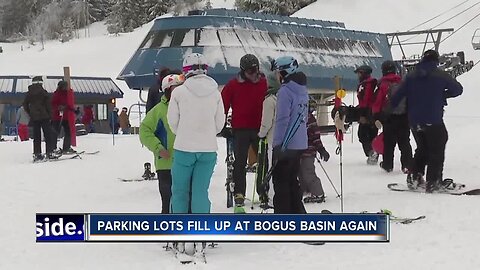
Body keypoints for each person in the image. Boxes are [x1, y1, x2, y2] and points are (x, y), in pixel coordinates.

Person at [167, 53, 224, 259]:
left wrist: (185, 132)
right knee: (201, 192)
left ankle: (180, 237)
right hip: (208, 149)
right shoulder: (216, 93)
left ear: (186, 70)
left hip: (184, 148)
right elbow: (220, 124)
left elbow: (172, 122)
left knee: (180, 191)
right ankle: (201, 233)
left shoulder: (179, 93)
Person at [391, 50, 463, 192]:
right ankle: (433, 181)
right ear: (436, 61)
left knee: (423, 148)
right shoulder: (440, 74)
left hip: (414, 121)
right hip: (433, 119)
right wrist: (442, 94)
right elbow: (458, 89)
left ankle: (414, 177)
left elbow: (396, 97)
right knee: (437, 146)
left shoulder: (410, 76)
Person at [221, 54, 267, 209]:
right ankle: (239, 192)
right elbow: (223, 105)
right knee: (240, 162)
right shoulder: (233, 85)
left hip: (260, 128)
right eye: (250, 71)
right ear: (242, 71)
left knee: (263, 161)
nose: (254, 73)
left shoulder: (264, 83)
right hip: (240, 129)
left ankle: (263, 190)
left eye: (256, 69)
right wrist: (222, 126)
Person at [140, 74, 185, 214]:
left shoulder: (189, 108)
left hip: (186, 162)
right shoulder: (158, 111)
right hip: (166, 164)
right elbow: (144, 131)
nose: (180, 91)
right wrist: (158, 148)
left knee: (185, 201)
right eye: (176, 88)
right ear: (167, 90)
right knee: (167, 201)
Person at [270, 56, 308, 214]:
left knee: (281, 184)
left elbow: (282, 120)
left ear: (284, 72)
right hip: (299, 143)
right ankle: (298, 215)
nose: (276, 76)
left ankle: (282, 220)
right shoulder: (302, 89)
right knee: (292, 181)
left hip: (286, 145)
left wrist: (277, 145)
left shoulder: (285, 91)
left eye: (277, 72)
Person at [372, 60, 413, 173]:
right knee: (404, 142)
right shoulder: (403, 83)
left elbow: (377, 102)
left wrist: (376, 115)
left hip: (389, 118)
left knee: (389, 143)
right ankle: (407, 165)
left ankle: (387, 165)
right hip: (404, 117)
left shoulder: (382, 84)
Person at [299, 99, 330, 203]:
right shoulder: (298, 117)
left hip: (308, 151)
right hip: (299, 151)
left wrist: (321, 149)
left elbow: (316, 136)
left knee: (308, 172)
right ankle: (306, 189)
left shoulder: (310, 119)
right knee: (300, 172)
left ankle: (318, 193)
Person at [22, 76, 57, 161]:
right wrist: (50, 115)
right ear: (40, 82)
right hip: (45, 116)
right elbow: (49, 105)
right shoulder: (44, 92)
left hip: (35, 118)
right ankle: (49, 153)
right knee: (47, 135)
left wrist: (31, 113)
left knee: (36, 136)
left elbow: (25, 105)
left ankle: (37, 154)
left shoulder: (29, 93)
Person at [354, 65, 379, 165]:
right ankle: (373, 153)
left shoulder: (366, 84)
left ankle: (371, 153)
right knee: (373, 135)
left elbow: (366, 100)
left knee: (362, 134)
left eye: (359, 73)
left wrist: (362, 113)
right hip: (375, 112)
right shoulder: (374, 84)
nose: (358, 75)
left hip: (367, 113)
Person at [51, 80, 76, 154]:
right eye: (64, 86)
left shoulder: (67, 94)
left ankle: (66, 147)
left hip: (65, 116)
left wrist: (74, 110)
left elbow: (68, 105)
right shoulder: (57, 94)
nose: (66, 87)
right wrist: (59, 107)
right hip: (57, 116)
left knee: (68, 132)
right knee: (55, 132)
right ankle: (53, 148)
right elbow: (53, 104)